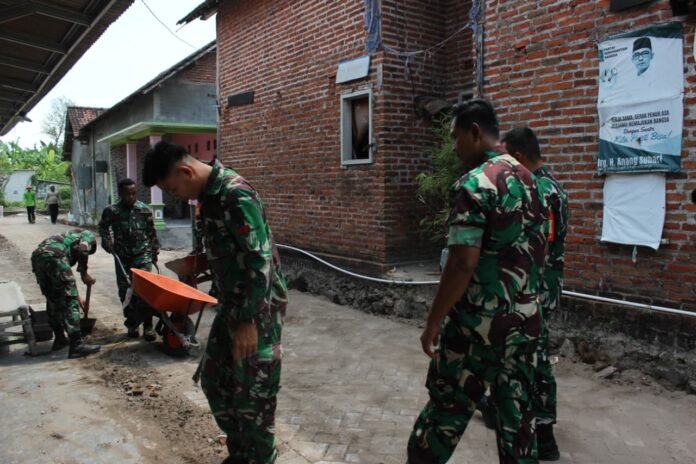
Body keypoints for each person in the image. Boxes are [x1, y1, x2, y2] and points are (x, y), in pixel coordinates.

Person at [406, 100, 548, 464]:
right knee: (518, 429)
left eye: (456, 138)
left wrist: (434, 321)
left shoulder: (475, 184)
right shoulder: (534, 183)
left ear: (474, 133)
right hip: (523, 328)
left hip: (475, 333)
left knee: (441, 419)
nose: (454, 147)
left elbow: (463, 262)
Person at [143, 141, 288, 464]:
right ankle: (242, 454)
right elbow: (228, 247)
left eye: (173, 189)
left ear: (186, 171)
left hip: (258, 309)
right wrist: (199, 265)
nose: (176, 196)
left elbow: (259, 262)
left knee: (253, 393)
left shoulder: (235, 195)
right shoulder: (207, 198)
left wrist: (249, 321)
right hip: (232, 305)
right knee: (214, 380)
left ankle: (260, 457)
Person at [502, 127, 568, 461]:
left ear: (518, 156)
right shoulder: (554, 186)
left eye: (507, 160)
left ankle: (544, 433)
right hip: (543, 285)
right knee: (530, 352)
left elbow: (535, 244)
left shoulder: (540, 190)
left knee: (537, 356)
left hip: (535, 288)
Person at [98, 178, 160, 341]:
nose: (131, 197)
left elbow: (151, 232)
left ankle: (148, 326)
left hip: (142, 254)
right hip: (122, 255)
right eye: (127, 194)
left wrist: (154, 251)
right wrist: (106, 241)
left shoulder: (144, 210)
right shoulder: (111, 211)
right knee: (126, 291)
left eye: (134, 194)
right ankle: (132, 324)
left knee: (145, 289)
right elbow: (103, 228)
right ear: (120, 194)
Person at [31, 230, 101, 358]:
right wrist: (84, 274)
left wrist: (77, 296)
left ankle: (60, 339)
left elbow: (65, 285)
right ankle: (76, 345)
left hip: (38, 257)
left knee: (53, 298)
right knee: (70, 301)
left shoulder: (67, 237)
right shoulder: (88, 235)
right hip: (54, 256)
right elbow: (83, 249)